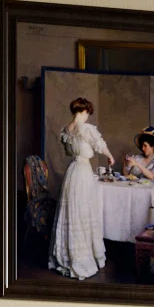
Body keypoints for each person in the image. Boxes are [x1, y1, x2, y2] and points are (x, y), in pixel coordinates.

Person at [48, 95, 112, 281]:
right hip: (82, 171)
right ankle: (81, 258)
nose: (87, 117)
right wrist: (110, 157)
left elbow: (69, 152)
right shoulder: (86, 128)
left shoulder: (66, 130)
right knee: (83, 211)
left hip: (72, 171)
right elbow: (100, 146)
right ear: (83, 111)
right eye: (87, 113)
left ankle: (67, 256)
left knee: (71, 212)